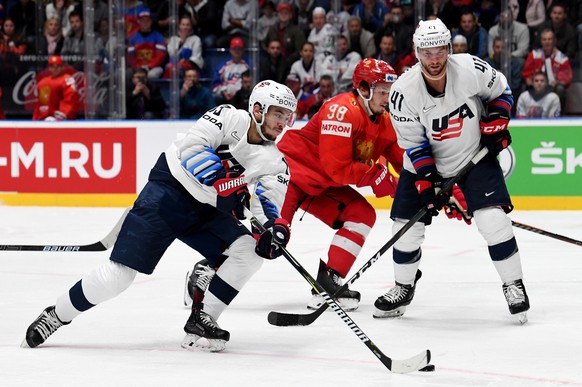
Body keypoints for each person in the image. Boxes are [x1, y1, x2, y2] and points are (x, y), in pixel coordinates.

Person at [23, 80, 298, 353]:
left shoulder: (275, 162)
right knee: (117, 277)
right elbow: (193, 148)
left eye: (287, 117)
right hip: (168, 194)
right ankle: (56, 315)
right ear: (258, 109)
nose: (282, 123)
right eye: (278, 114)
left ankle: (202, 320)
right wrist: (221, 182)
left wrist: (272, 231)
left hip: (207, 209)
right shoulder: (227, 116)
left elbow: (267, 204)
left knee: (249, 253)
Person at [378, 18, 530, 324]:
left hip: (473, 156)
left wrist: (498, 119)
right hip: (421, 166)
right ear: (416, 52)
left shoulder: (470, 69)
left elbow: (502, 93)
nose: (434, 60)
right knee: (405, 231)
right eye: (427, 52)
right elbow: (415, 145)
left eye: (439, 51)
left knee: (493, 220)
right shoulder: (403, 92)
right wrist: (430, 182)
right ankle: (403, 287)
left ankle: (513, 284)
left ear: (448, 48)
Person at [276, 58, 404, 311]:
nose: (387, 98)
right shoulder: (342, 110)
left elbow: (406, 165)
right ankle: (205, 277)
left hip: (320, 184)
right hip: (288, 175)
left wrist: (427, 188)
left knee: (361, 215)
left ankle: (328, 281)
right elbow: (337, 168)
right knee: (268, 240)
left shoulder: (385, 121)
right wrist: (375, 175)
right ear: (364, 89)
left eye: (390, 92)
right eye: (381, 92)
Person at [32, 55, 80, 121]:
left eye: (58, 66)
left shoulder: (67, 80)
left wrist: (62, 114)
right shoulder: (43, 82)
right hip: (45, 119)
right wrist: (37, 119)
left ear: (63, 67)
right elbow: (41, 103)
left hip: (62, 119)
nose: (55, 69)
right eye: (52, 66)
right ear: (49, 68)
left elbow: (70, 99)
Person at [127, 9, 168, 80]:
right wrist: (137, 68)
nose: (145, 23)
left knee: (151, 75)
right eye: (143, 20)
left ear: (151, 22)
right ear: (139, 22)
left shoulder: (158, 36)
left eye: (147, 20)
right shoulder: (133, 38)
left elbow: (161, 56)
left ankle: (152, 91)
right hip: (138, 67)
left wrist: (149, 67)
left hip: (155, 67)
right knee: (128, 74)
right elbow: (131, 56)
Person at [211, 37, 250, 105]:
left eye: (239, 49)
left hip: (241, 96)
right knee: (215, 97)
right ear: (230, 50)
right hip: (225, 95)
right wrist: (223, 92)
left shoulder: (248, 66)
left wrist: (238, 93)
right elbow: (215, 84)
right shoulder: (224, 65)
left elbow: (250, 84)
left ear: (243, 50)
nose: (237, 51)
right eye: (234, 48)